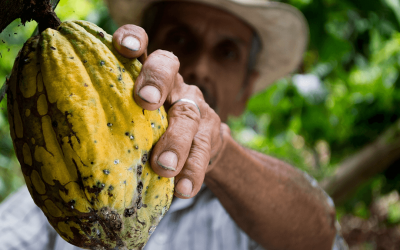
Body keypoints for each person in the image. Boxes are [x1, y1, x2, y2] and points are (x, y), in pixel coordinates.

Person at [0, 0, 348, 249]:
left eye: (227, 52)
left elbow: (319, 234)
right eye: (180, 39)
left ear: (246, 90)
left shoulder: (254, 217)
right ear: (139, 51)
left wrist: (218, 152)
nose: (200, 67)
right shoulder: (57, 184)